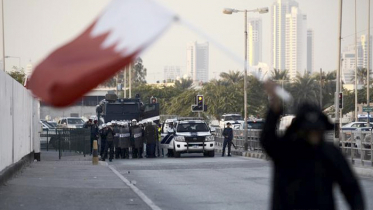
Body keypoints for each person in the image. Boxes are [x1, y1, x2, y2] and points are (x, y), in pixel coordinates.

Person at [261, 80, 365, 210]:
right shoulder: (286, 150)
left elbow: (351, 188)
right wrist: (274, 108)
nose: (314, 135)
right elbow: (267, 139)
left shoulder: (329, 152)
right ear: (300, 130)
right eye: (309, 131)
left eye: (317, 131)